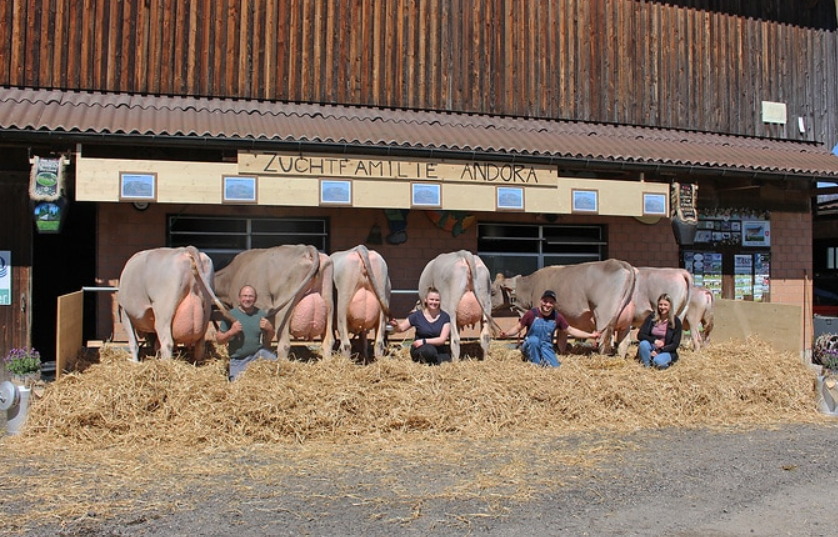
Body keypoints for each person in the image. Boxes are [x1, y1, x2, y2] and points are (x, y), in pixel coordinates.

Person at [499, 290, 601, 368]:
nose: (547, 304)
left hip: (546, 346)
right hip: (530, 345)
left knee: (555, 367)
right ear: (541, 301)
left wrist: (591, 335)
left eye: (551, 302)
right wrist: (507, 334)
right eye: (545, 301)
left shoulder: (557, 317)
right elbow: (518, 327)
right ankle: (535, 365)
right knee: (534, 341)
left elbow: (570, 330)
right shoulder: (531, 314)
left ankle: (543, 361)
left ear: (554, 304)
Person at [216, 285, 277, 380]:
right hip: (238, 360)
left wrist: (270, 329)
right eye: (244, 296)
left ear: (255, 299)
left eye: (250, 296)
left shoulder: (261, 314)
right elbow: (219, 340)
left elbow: (268, 341)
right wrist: (231, 332)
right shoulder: (231, 315)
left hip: (259, 356)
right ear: (239, 298)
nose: (247, 299)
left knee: (279, 369)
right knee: (238, 386)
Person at [389, 286, 452, 365]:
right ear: (425, 300)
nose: (434, 302)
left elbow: (442, 340)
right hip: (420, 349)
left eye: (437, 300)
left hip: (438, 348)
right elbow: (401, 328)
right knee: (429, 351)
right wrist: (396, 325)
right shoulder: (417, 315)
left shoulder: (445, 317)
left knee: (446, 361)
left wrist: (423, 341)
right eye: (431, 299)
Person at [636, 293, 682, 369]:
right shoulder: (652, 317)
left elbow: (675, 344)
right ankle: (647, 367)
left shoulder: (676, 322)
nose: (662, 307)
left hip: (667, 350)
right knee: (643, 344)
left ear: (670, 306)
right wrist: (654, 341)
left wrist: (660, 350)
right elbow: (640, 335)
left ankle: (661, 364)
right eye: (660, 304)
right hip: (651, 348)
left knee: (658, 361)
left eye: (665, 305)